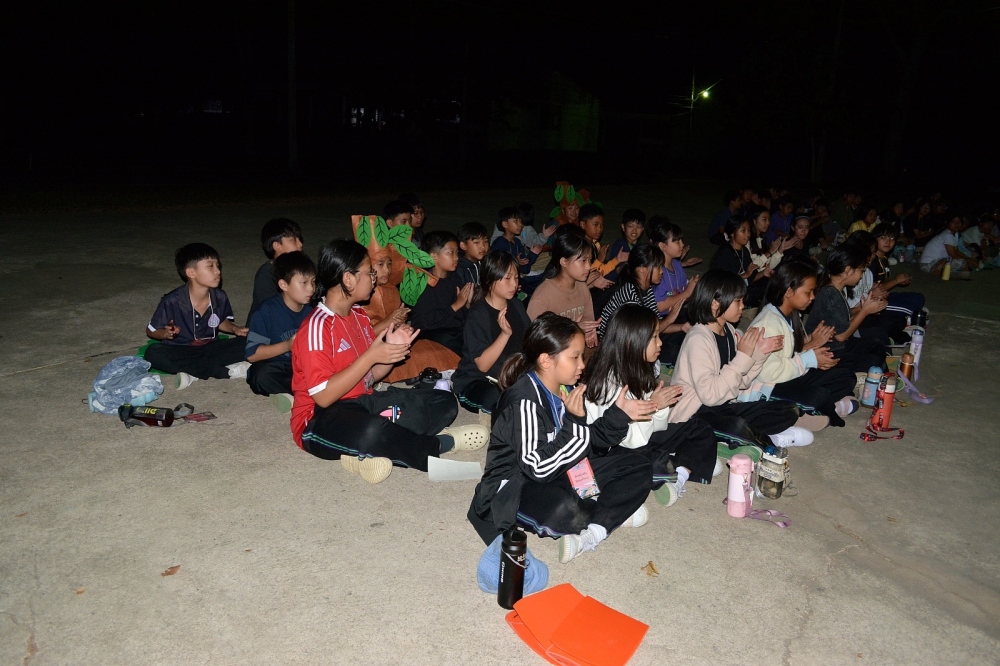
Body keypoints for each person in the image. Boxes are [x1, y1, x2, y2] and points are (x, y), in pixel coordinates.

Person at [290, 239, 486, 484]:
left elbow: (371, 377)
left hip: (364, 402)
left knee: (442, 402)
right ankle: (437, 445)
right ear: (348, 279)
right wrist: (371, 356)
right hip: (320, 417)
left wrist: (392, 352)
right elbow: (323, 397)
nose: (373, 278)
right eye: (369, 272)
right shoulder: (317, 327)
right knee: (371, 430)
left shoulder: (358, 315)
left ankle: (366, 451)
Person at [467, 313, 653, 564]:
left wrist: (619, 415)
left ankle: (596, 528)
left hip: (561, 469)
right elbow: (537, 467)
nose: (582, 365)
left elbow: (589, 443)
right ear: (546, 360)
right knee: (564, 508)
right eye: (575, 357)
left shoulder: (565, 389)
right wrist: (575, 423)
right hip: (517, 486)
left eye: (581, 356)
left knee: (638, 464)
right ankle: (608, 512)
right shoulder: (524, 403)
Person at [584, 305, 718, 506]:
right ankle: (676, 465)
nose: (660, 342)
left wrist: (659, 406)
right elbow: (632, 441)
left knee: (699, 428)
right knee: (649, 460)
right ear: (632, 342)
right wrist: (654, 405)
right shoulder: (608, 382)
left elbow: (658, 427)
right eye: (654, 337)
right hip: (616, 450)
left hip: (642, 438)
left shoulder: (638, 368)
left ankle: (679, 476)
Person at [669, 269, 814, 454]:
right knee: (736, 426)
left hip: (724, 407)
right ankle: (767, 440)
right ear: (715, 303)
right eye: (737, 301)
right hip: (695, 414)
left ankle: (749, 437)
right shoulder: (698, 339)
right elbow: (710, 396)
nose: (742, 306)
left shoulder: (729, 331)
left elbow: (741, 383)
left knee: (788, 409)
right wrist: (743, 357)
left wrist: (758, 356)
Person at [745, 258, 859, 428]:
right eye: (808, 292)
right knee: (818, 395)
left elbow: (790, 352)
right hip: (768, 387)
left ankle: (819, 408)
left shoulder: (791, 313)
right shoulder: (768, 323)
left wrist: (812, 343)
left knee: (846, 377)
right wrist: (810, 358)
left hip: (789, 375)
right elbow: (768, 374)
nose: (812, 297)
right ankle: (817, 409)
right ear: (789, 291)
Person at [144, 243, 249, 389]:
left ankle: (193, 373)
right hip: (181, 350)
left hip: (211, 347)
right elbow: (151, 331)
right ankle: (224, 371)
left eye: (218, 265)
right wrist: (166, 334)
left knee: (253, 340)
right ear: (191, 272)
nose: (217, 271)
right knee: (153, 353)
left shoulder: (219, 296)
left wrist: (235, 329)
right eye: (210, 266)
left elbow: (220, 322)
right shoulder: (172, 301)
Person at [361, 242, 459, 384]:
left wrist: (400, 326)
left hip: (392, 343)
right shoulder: (362, 294)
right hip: (370, 349)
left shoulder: (392, 290)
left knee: (434, 353)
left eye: (389, 264)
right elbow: (361, 337)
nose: (387, 270)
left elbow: (394, 326)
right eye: (380, 264)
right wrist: (389, 322)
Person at [453, 251, 531, 418]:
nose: (514, 284)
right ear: (490, 280)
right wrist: (504, 334)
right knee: (500, 398)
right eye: (507, 278)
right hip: (478, 380)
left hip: (511, 376)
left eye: (516, 277)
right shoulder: (478, 314)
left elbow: (530, 344)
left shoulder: (517, 305)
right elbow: (483, 365)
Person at [245, 251, 316, 412]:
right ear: (283, 285)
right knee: (260, 375)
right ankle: (307, 394)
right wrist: (288, 345)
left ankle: (298, 394)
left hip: (305, 366)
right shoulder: (266, 311)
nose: (311, 288)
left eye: (313, 281)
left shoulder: (314, 311)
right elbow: (252, 354)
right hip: (278, 365)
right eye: (304, 283)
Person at [805, 243, 888, 373]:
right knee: (874, 361)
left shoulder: (836, 288)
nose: (862, 275)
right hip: (828, 350)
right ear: (848, 270)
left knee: (877, 346)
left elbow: (843, 319)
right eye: (861, 271)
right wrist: (865, 311)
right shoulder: (830, 294)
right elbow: (841, 336)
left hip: (838, 345)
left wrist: (862, 307)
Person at [597, 245, 686, 351]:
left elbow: (655, 326)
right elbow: (641, 336)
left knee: (683, 336)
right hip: (617, 347)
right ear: (642, 269)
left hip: (640, 338)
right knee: (671, 350)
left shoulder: (647, 289)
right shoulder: (630, 295)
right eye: (658, 267)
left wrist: (682, 327)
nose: (661, 271)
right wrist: (669, 319)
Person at [527, 226, 601, 348]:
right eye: (583, 261)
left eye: (590, 260)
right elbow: (534, 339)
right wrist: (574, 329)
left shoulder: (582, 287)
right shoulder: (543, 296)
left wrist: (589, 330)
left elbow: (587, 318)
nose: (588, 266)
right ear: (564, 262)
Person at [647, 218, 698, 365]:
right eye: (676, 241)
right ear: (662, 246)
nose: (681, 245)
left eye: (681, 240)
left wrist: (691, 291)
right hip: (658, 320)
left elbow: (683, 298)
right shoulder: (657, 271)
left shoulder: (676, 265)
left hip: (676, 314)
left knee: (699, 323)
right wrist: (687, 293)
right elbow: (660, 305)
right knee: (675, 348)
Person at [412, 230, 471, 354]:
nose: (456, 257)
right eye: (450, 253)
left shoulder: (455, 279)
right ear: (434, 256)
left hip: (453, 331)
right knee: (450, 342)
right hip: (431, 333)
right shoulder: (423, 282)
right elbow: (428, 322)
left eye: (457, 253)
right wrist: (457, 305)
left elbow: (460, 317)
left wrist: (467, 304)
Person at [248, 218, 304, 322]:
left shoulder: (306, 267)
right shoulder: (266, 276)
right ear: (277, 246)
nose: (300, 244)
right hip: (268, 325)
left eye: (299, 238)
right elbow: (270, 311)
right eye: (292, 240)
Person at [710, 217, 771, 308]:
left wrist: (764, 273)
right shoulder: (724, 252)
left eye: (749, 230)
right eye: (743, 231)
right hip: (727, 293)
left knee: (768, 284)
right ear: (732, 233)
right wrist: (744, 275)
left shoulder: (744, 251)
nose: (748, 234)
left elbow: (751, 278)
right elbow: (722, 282)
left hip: (742, 289)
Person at [871, 223, 926, 320]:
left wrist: (898, 281)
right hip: (873, 301)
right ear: (874, 239)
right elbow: (872, 290)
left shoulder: (884, 258)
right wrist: (895, 281)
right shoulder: (871, 261)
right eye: (883, 238)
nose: (888, 241)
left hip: (885, 296)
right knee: (908, 309)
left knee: (919, 297)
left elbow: (884, 281)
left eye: (892, 238)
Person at [491, 206, 544, 293]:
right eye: (515, 221)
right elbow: (497, 269)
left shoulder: (518, 242)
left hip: (517, 279)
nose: (520, 224)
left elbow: (525, 269)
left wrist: (532, 255)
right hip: (502, 284)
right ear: (505, 224)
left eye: (520, 221)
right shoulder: (499, 244)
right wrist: (515, 262)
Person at [919, 214, 976, 279]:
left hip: (937, 261)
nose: (956, 224)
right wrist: (969, 260)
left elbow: (957, 251)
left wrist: (970, 259)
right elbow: (953, 255)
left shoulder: (955, 234)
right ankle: (942, 271)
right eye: (953, 222)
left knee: (964, 261)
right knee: (962, 262)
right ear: (947, 223)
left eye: (959, 222)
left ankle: (948, 272)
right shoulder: (948, 235)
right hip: (928, 264)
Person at [747, 205, 793, 272]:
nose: (768, 223)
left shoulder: (761, 239)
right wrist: (769, 252)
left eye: (769, 219)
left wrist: (780, 250)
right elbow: (753, 267)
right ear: (754, 221)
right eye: (764, 219)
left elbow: (769, 266)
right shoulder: (747, 241)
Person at [605, 208, 646, 280]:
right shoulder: (619, 244)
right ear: (623, 227)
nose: (634, 230)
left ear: (642, 229)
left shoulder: (641, 247)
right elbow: (610, 271)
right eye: (630, 226)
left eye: (638, 227)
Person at [457, 222, 490, 288]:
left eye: (485, 241)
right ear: (463, 245)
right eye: (477, 242)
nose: (483, 246)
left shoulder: (486, 264)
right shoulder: (459, 270)